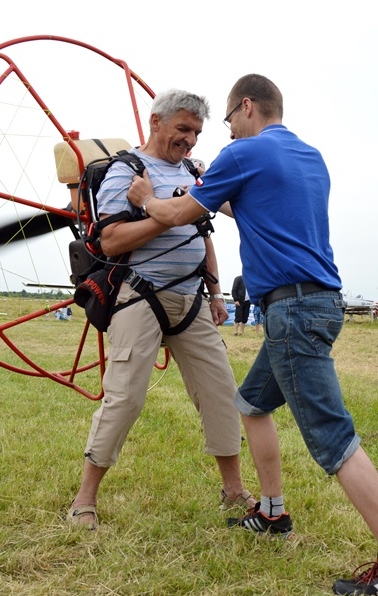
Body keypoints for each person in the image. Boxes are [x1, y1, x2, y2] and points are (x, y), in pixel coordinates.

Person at [128, 74, 378, 595]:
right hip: (320, 302)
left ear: (246, 107)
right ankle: (272, 513)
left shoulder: (243, 154)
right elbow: (249, 207)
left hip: (292, 311)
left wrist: (147, 197)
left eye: (226, 123)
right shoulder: (310, 157)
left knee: (334, 440)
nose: (226, 135)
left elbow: (176, 215)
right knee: (251, 403)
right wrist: (206, 187)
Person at [66, 89, 256, 532]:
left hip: (191, 299)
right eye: (183, 130)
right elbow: (111, 241)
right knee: (125, 398)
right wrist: (170, 213)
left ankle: (233, 489)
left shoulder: (194, 171)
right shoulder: (125, 171)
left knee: (222, 395)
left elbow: (204, 232)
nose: (190, 141)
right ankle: (84, 499)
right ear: (155, 122)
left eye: (196, 133)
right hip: (140, 295)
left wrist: (214, 292)